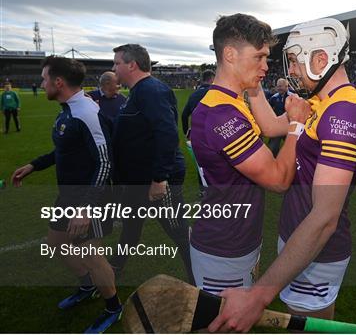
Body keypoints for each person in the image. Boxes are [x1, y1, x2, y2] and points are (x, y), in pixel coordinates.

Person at [208, 17, 356, 332]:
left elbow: (325, 217)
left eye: (295, 61)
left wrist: (258, 297)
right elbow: (272, 127)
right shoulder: (318, 102)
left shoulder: (344, 113)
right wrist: (249, 83)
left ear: (321, 59)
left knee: (306, 326)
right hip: (298, 239)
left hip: (316, 250)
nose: (291, 71)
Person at [189, 13, 310, 294]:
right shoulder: (220, 115)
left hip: (239, 238)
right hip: (224, 247)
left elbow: (271, 125)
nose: (266, 66)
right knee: (223, 323)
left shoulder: (235, 99)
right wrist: (298, 126)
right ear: (230, 54)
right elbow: (279, 179)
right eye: (259, 57)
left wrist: (308, 107)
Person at [10, 56, 122, 333]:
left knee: (91, 253)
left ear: (58, 82)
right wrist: (34, 165)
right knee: (57, 242)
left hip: (90, 198)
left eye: (44, 78)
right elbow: (64, 151)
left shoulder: (85, 112)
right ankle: (87, 286)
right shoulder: (68, 109)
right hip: (69, 196)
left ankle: (113, 307)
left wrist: (86, 207)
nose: (41, 83)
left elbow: (105, 162)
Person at [110, 44, 193, 283]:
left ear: (131, 64)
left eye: (116, 63)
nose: (113, 68)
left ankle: (201, 282)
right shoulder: (137, 92)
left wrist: (159, 179)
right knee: (130, 227)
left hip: (155, 181)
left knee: (179, 233)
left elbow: (167, 134)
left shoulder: (151, 90)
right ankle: (114, 268)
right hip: (139, 181)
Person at [181, 69, 215, 135]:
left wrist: (186, 132)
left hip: (196, 133)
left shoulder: (193, 95)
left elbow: (184, 115)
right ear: (212, 79)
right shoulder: (214, 92)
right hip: (211, 133)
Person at [267, 78, 290, 156]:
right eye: (278, 86)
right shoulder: (273, 98)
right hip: (278, 126)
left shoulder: (293, 97)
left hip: (289, 126)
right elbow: (268, 109)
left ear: (286, 86)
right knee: (273, 147)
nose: (279, 88)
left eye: (281, 86)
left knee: (293, 147)